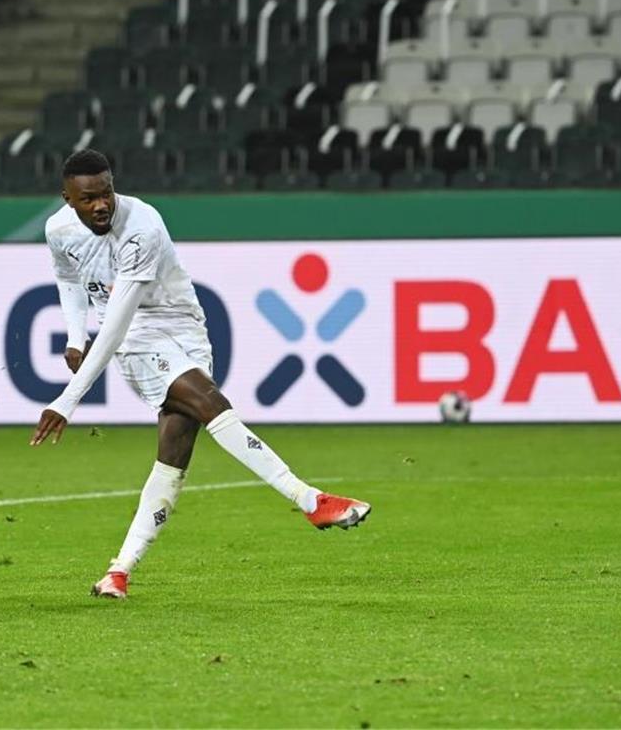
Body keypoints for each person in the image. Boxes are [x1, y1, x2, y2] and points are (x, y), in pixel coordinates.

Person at [30, 149, 371, 599]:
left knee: (173, 457)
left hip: (185, 328)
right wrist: (75, 339)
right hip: (137, 336)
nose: (101, 205)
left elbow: (110, 325)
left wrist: (68, 397)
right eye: (89, 198)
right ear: (67, 199)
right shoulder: (58, 230)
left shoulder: (142, 227)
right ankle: (310, 499)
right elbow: (74, 286)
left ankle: (119, 571)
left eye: (107, 193)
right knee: (212, 405)